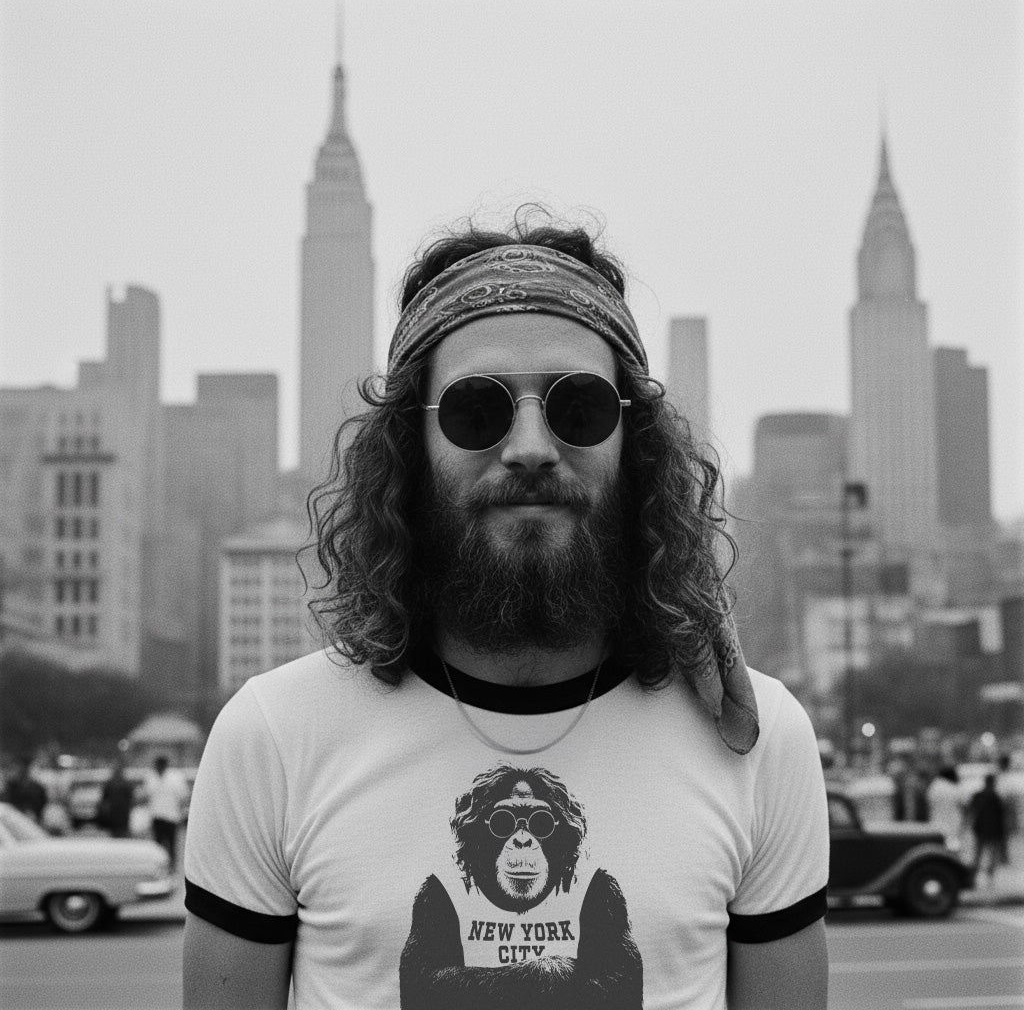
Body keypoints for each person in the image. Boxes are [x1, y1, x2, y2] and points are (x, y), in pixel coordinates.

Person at [183, 216, 830, 1010]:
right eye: (477, 412)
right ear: (409, 449)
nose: (530, 446)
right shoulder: (273, 737)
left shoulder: (758, 740)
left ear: (638, 443)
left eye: (580, 408)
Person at [145, 755, 187, 869]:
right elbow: (147, 795)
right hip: (157, 816)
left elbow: (183, 795)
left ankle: (172, 868)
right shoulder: (151, 777)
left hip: (170, 817)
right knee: (157, 846)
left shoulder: (175, 777)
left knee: (171, 845)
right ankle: (159, 868)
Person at [966, 773, 1008, 882]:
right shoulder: (995, 797)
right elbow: (1001, 817)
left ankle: (974, 878)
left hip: (981, 829)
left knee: (978, 855)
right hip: (992, 830)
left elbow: (971, 811)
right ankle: (988, 878)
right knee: (989, 856)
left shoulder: (979, 796)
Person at [98, 759, 135, 839]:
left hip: (119, 813)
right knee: (118, 833)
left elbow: (104, 799)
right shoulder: (124, 783)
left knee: (118, 833)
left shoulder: (115, 783)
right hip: (118, 813)